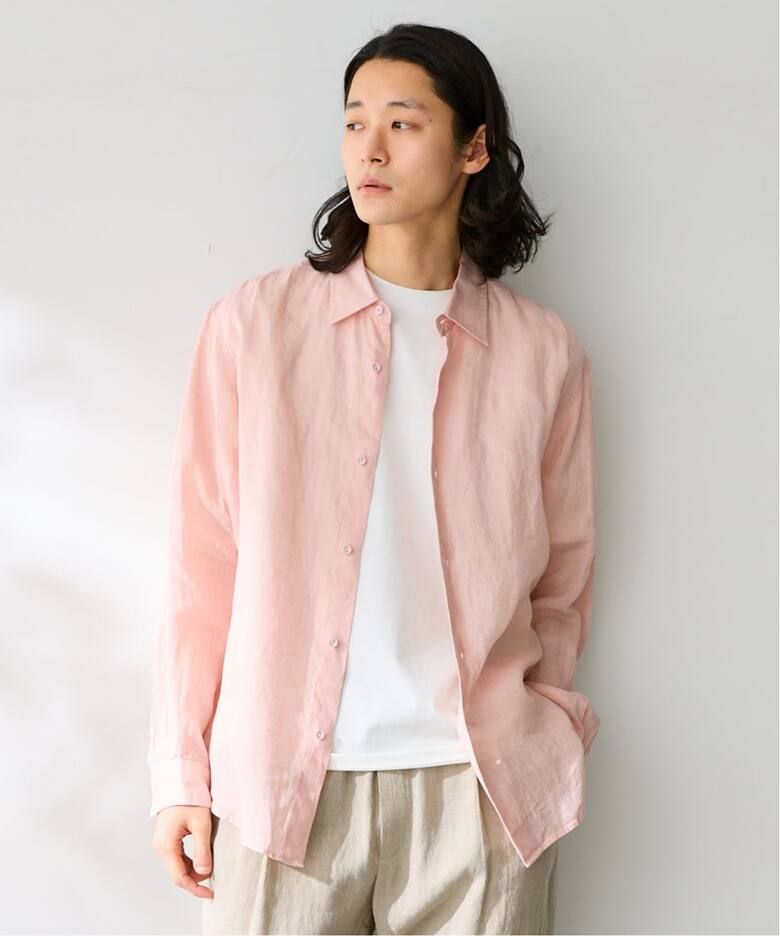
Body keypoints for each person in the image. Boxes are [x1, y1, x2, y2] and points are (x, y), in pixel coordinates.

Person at [148, 21, 600, 936]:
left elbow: (562, 581)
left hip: (480, 795)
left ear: (475, 148)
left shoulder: (542, 352)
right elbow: (202, 569)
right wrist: (180, 775)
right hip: (283, 790)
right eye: (354, 122)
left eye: (403, 121)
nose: (370, 148)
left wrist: (542, 721)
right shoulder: (255, 328)